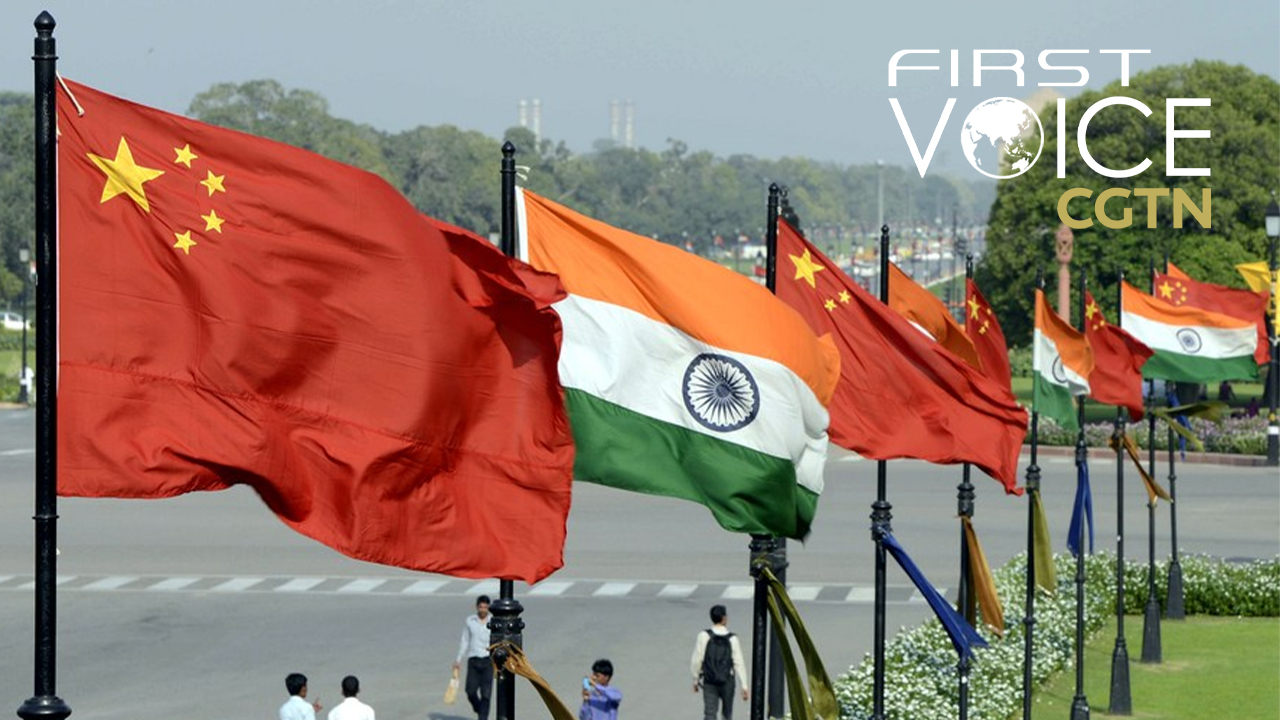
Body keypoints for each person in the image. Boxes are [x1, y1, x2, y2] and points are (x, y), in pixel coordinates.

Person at [690, 605, 747, 720]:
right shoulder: (732, 639)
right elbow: (739, 663)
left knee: (710, 714)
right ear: (724, 618)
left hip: (710, 679)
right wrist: (744, 685)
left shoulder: (704, 636)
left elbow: (697, 660)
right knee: (727, 714)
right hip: (727, 680)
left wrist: (695, 680)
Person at [453, 594, 494, 720]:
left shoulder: (493, 621)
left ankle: (483, 717)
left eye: (485, 607)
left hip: (488, 660)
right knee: (470, 691)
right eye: (481, 607)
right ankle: (479, 709)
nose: (483, 610)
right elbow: (465, 640)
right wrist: (458, 659)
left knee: (486, 693)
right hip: (474, 659)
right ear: (477, 607)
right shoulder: (470, 621)